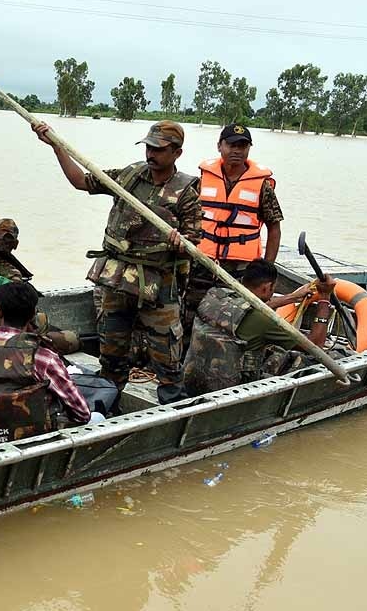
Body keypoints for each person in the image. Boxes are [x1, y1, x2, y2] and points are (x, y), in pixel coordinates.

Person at [32, 119, 201, 405]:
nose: (151, 154)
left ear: (177, 153)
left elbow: (193, 244)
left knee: (167, 359)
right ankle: (105, 408)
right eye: (149, 147)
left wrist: (180, 242)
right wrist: (56, 146)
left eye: (158, 150)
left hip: (159, 285)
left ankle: (173, 411)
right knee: (111, 352)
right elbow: (81, 181)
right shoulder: (129, 176)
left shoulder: (186, 192)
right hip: (117, 279)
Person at [0, 282, 92, 451]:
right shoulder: (44, 357)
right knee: (97, 418)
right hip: (30, 443)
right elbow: (82, 414)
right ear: (33, 315)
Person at [182, 124, 285, 345]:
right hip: (203, 261)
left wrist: (267, 268)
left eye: (243, 145)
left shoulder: (262, 186)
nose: (237, 150)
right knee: (191, 310)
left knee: (237, 317)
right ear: (220, 146)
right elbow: (185, 215)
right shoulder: (201, 179)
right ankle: (185, 358)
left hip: (241, 267)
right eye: (231, 144)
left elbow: (274, 227)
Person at [183, 259, 333, 395]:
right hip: (231, 390)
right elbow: (316, 346)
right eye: (273, 289)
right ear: (267, 287)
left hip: (193, 380)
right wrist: (324, 298)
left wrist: (292, 298)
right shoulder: (264, 321)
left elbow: (250, 306)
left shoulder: (216, 295)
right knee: (295, 358)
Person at [0, 217, 81, 354]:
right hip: (1, 333)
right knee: (71, 338)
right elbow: (23, 317)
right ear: (15, 244)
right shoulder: (12, 274)